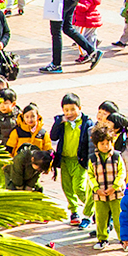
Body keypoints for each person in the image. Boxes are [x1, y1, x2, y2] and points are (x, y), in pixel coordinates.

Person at [49, 94, 96, 228]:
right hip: (64, 159)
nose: (69, 113)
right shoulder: (62, 122)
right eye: (66, 110)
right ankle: (74, 211)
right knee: (67, 187)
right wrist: (59, 122)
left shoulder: (87, 122)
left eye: (72, 109)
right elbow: (53, 136)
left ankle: (91, 208)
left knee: (79, 187)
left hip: (79, 160)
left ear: (79, 108)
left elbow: (89, 143)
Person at [88, 127, 125, 251]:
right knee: (101, 218)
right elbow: (91, 175)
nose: (105, 146)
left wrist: (115, 187)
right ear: (96, 144)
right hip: (99, 195)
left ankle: (123, 240)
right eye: (102, 143)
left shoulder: (116, 156)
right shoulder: (93, 158)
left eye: (108, 143)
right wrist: (96, 188)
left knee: (119, 217)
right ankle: (102, 239)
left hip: (116, 194)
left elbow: (121, 173)